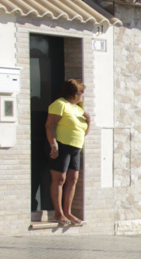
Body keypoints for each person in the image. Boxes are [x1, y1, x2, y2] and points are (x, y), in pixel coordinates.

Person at [45, 79, 89, 226]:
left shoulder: (78, 109)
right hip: (62, 146)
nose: (83, 94)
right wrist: (53, 144)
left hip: (76, 148)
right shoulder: (60, 104)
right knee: (60, 179)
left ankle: (68, 212)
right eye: (81, 91)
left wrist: (88, 122)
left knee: (73, 179)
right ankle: (59, 213)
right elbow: (50, 125)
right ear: (74, 92)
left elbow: (83, 132)